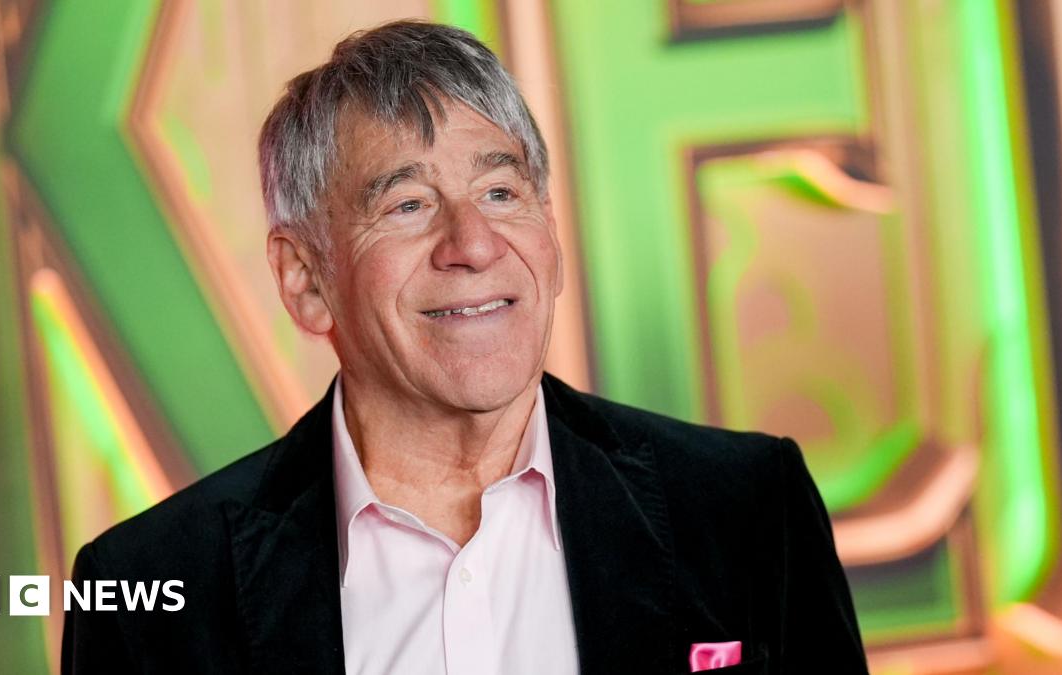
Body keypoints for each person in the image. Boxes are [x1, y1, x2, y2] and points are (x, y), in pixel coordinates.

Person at [61, 20, 868, 674]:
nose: (473, 243)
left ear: (549, 233)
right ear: (306, 277)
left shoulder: (747, 510)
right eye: (409, 204)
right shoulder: (150, 590)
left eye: (500, 190)